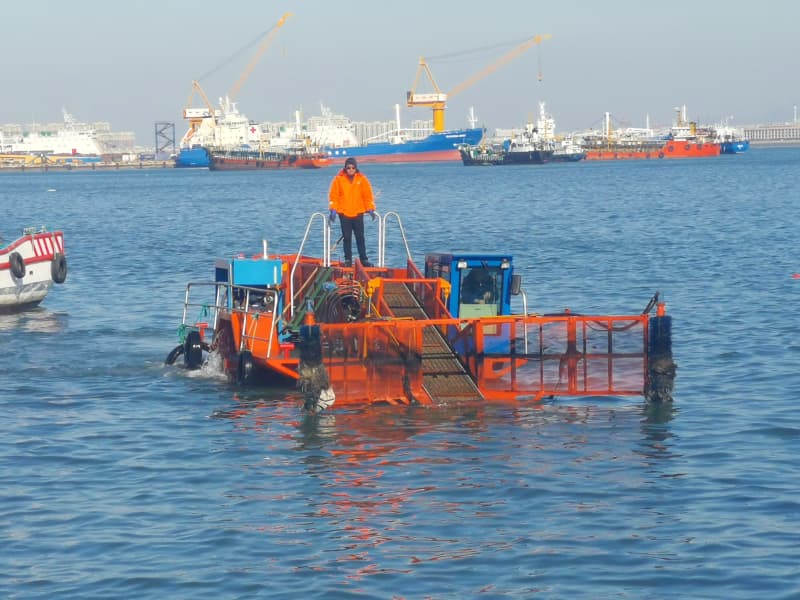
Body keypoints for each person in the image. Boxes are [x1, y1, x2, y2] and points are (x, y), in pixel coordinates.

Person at [328, 157, 376, 267]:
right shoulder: (338, 179)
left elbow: (367, 196)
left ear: (356, 168)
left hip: (358, 212)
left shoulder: (362, 179)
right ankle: (348, 260)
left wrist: (370, 208)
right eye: (348, 167)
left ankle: (364, 259)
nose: (350, 169)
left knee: (360, 236)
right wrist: (333, 209)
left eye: (353, 167)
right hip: (344, 213)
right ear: (345, 168)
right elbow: (333, 196)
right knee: (347, 237)